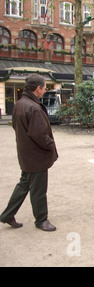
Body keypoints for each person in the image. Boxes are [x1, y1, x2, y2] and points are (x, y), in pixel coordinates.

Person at [0, 74, 58, 231]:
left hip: (26, 153)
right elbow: (39, 135)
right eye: (45, 88)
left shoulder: (20, 103)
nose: (45, 90)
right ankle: (41, 219)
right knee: (38, 189)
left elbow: (16, 126)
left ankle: (7, 214)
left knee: (24, 185)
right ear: (38, 89)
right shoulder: (33, 107)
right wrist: (50, 145)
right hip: (36, 156)